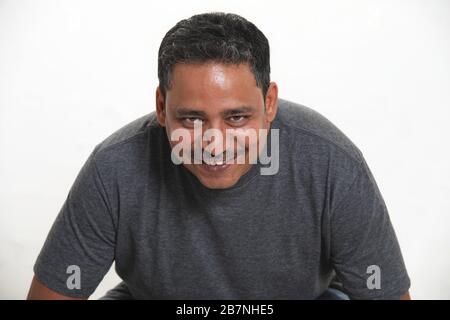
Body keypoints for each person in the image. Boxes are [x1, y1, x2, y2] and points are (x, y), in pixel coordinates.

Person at [27, 12, 410, 300]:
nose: (214, 143)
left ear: (270, 102)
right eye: (191, 118)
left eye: (237, 118)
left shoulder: (331, 162)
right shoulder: (113, 168)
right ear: (162, 107)